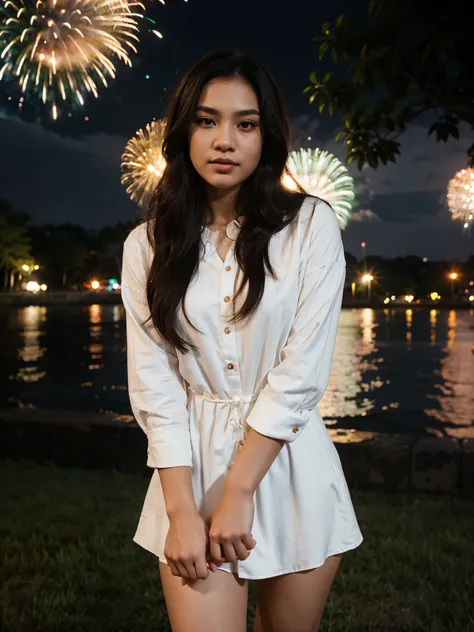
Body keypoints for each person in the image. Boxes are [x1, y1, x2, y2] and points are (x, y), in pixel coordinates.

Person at [121, 50, 363, 632]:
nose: (224, 140)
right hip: (191, 473)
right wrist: (182, 509)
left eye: (245, 123)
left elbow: (301, 370)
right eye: (206, 121)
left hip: (291, 463)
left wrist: (242, 489)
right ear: (184, 131)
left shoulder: (310, 226)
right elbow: (157, 387)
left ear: (267, 136)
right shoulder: (147, 246)